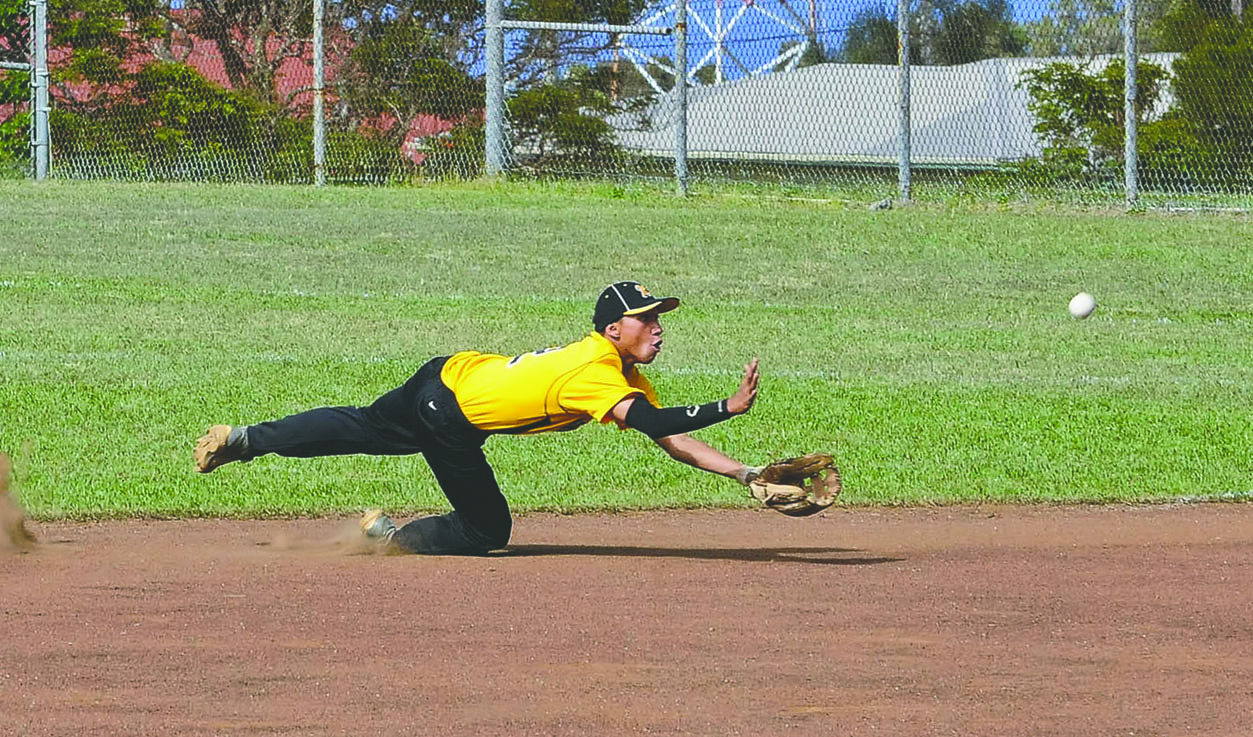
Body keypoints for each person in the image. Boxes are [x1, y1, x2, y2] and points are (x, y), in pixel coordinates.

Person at [193, 281, 762, 555]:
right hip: (451, 417)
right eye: (646, 318)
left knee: (361, 426)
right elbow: (651, 426)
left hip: (447, 372)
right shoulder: (594, 373)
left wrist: (746, 475)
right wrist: (728, 407)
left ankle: (245, 439)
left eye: (659, 316)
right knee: (489, 531)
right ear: (614, 329)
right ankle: (390, 536)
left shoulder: (615, 370)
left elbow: (672, 436)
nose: (658, 326)